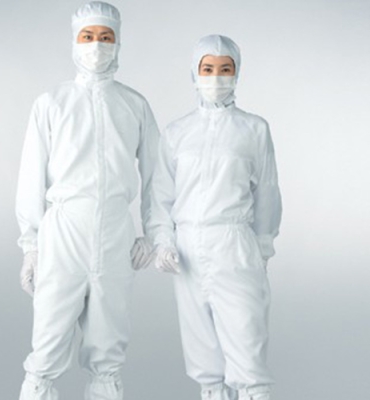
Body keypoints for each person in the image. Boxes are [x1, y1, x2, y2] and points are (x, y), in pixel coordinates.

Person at [15, 2, 159, 399]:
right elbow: (31, 176)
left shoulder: (134, 105)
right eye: (88, 36)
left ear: (118, 42)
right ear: (75, 42)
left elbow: (157, 176)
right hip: (63, 233)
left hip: (115, 233)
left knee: (108, 346)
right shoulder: (52, 103)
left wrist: (154, 234)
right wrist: (31, 245)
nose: (97, 45)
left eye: (106, 37)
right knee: (48, 341)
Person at [150, 34, 282, 400]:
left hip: (233, 243)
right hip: (188, 249)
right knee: (202, 347)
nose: (216, 77)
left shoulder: (254, 129)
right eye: (208, 69)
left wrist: (262, 248)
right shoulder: (177, 132)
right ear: (194, 73)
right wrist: (163, 241)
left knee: (246, 337)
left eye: (225, 69)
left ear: (237, 73)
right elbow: (161, 195)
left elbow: (267, 192)